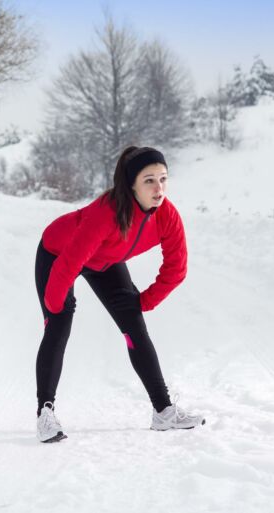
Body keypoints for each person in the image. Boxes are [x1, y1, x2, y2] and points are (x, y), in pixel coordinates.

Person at [34, 145, 205, 443]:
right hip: (59, 251)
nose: (159, 187)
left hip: (105, 261)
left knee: (135, 328)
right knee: (59, 325)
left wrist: (143, 302)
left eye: (163, 178)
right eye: (149, 180)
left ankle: (163, 411)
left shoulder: (167, 215)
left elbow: (176, 268)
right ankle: (45, 413)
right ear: (132, 185)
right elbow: (70, 261)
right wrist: (54, 305)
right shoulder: (107, 212)